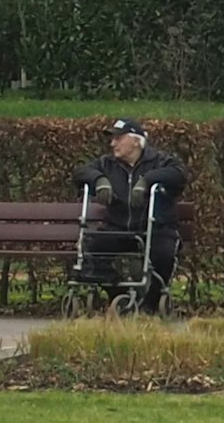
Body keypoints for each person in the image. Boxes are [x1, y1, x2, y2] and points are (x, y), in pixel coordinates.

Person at [71, 118, 187, 313]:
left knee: (164, 254)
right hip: (118, 226)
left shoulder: (160, 161)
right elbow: (79, 173)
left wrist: (148, 180)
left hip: (155, 227)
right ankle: (117, 296)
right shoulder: (107, 164)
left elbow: (178, 175)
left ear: (135, 141)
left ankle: (150, 303)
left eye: (118, 138)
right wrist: (98, 179)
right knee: (94, 247)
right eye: (112, 139)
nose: (112, 144)